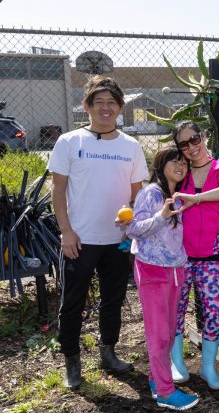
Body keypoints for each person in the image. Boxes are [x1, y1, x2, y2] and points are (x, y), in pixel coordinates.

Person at [48, 75, 149, 390]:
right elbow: (58, 190)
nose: (106, 108)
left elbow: (137, 193)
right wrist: (66, 231)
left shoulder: (131, 146)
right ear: (87, 106)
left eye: (112, 103)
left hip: (117, 241)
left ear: (120, 107)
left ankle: (108, 351)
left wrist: (131, 227)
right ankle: (71, 360)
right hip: (80, 239)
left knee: (113, 298)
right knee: (72, 301)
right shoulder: (69, 141)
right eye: (99, 102)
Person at [125, 148, 199, 411]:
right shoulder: (150, 193)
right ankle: (166, 393)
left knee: (168, 331)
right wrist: (161, 216)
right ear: (161, 164)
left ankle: (158, 380)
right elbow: (132, 229)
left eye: (184, 162)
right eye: (174, 160)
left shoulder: (175, 196)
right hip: (153, 269)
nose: (181, 165)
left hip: (175, 269)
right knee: (158, 333)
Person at [170, 122, 219, 390]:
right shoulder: (180, 172)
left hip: (210, 257)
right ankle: (177, 361)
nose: (191, 147)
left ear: (204, 136)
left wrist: (196, 199)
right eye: (183, 144)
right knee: (175, 309)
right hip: (179, 258)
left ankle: (208, 366)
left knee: (214, 309)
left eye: (194, 139)